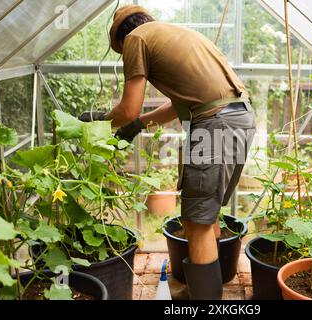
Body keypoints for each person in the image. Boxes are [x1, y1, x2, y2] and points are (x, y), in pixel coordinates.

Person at [79, 5, 255, 300]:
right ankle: (200, 290)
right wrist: (138, 125)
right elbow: (177, 105)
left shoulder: (136, 39)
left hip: (213, 124)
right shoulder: (176, 34)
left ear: (122, 40)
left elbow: (128, 107)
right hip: (239, 117)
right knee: (206, 215)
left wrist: (100, 121)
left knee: (196, 223)